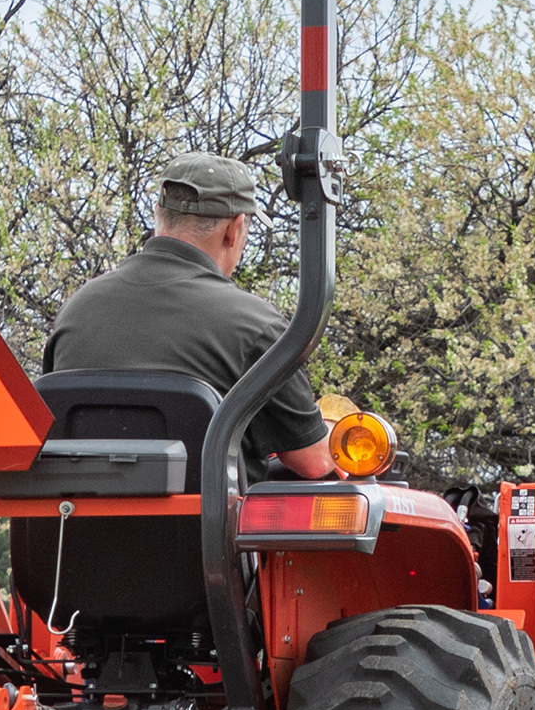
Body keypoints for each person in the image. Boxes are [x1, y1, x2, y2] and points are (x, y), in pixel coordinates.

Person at [41, 151, 335, 478]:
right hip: (206, 529)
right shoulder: (256, 325)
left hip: (73, 527)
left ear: (158, 216)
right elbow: (316, 462)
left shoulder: (76, 310)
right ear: (234, 230)